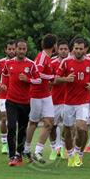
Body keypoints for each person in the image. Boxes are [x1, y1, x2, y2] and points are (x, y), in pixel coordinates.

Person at [55, 38, 90, 167]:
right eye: (76, 48)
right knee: (68, 130)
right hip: (68, 102)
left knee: (81, 128)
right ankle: (71, 154)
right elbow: (56, 79)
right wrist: (66, 79)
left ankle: (79, 154)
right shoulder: (65, 63)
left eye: (81, 48)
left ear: (85, 49)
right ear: (73, 49)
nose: (78, 51)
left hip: (84, 102)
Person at [2, 39, 41, 166]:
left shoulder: (31, 64)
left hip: (25, 103)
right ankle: (12, 155)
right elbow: (5, 76)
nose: (21, 51)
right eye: (19, 48)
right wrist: (3, 85)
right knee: (11, 127)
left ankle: (19, 154)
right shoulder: (8, 63)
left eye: (24, 49)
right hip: (11, 101)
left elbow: (38, 80)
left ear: (26, 50)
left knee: (22, 129)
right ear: (16, 49)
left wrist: (28, 79)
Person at [23, 34, 57, 163]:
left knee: (49, 123)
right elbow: (38, 74)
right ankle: (26, 149)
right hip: (36, 95)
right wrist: (51, 77)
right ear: (54, 45)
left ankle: (38, 151)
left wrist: (50, 77)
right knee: (33, 122)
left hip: (46, 95)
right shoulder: (42, 57)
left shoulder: (48, 57)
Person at [48, 39, 69, 160]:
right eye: (61, 49)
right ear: (57, 50)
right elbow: (50, 80)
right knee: (51, 126)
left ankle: (62, 146)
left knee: (67, 126)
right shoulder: (52, 63)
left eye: (65, 49)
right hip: (54, 100)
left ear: (68, 50)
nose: (63, 51)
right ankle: (53, 148)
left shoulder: (72, 62)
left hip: (68, 101)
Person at [0, 40, 16, 154]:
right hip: (3, 95)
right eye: (9, 49)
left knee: (14, 121)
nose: (11, 51)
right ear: (5, 50)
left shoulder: (20, 62)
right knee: (4, 118)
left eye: (13, 49)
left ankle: (13, 142)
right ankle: (4, 144)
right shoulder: (0, 62)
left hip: (16, 95)